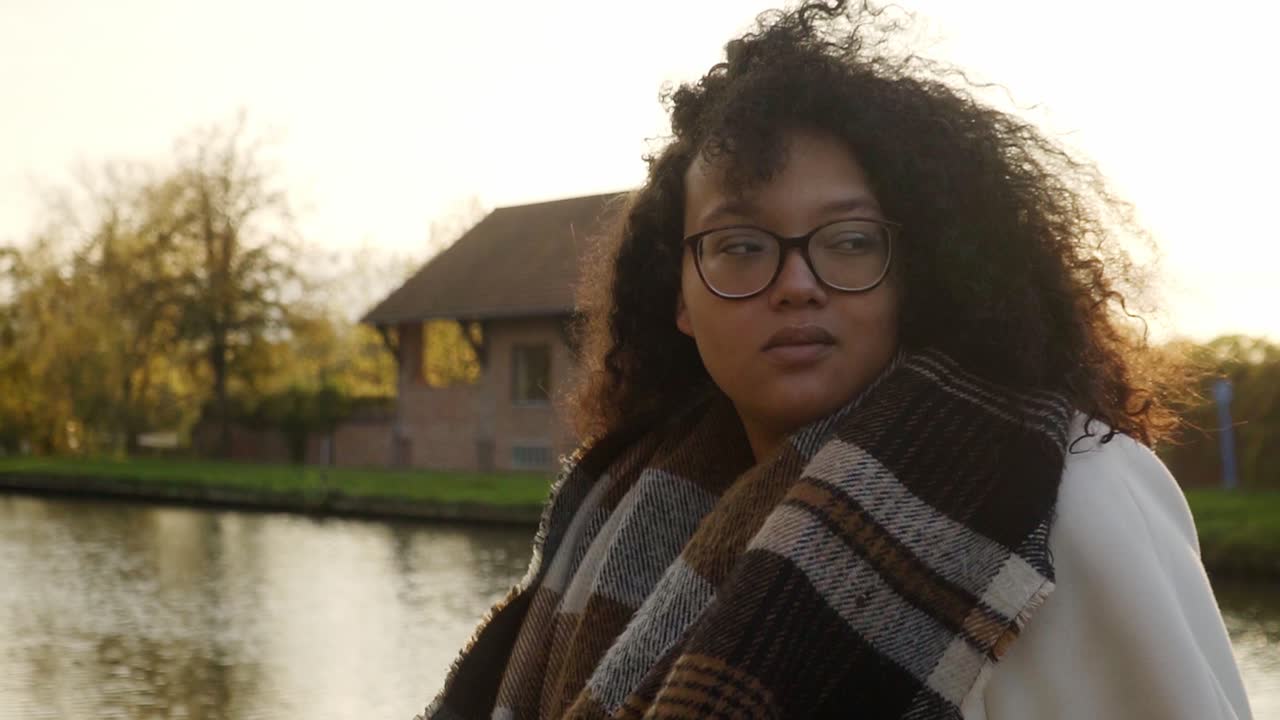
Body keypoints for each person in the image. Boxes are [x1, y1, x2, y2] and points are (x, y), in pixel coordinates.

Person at [422, 2, 1252, 718]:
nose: (796, 284)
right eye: (741, 246)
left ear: (916, 271)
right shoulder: (615, 505)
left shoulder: (1071, 495)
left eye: (849, 241)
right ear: (677, 296)